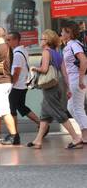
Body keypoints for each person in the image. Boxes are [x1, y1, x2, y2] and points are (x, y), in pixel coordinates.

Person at [28, 30, 82, 149]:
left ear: (47, 41)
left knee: (57, 112)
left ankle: (76, 137)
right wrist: (68, 88)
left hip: (50, 87)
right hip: (58, 85)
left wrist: (34, 68)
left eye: (42, 39)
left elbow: (44, 69)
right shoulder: (58, 53)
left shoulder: (46, 52)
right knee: (45, 113)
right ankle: (38, 140)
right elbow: (64, 73)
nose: (40, 41)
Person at [6, 32, 41, 133]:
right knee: (21, 106)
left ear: (15, 40)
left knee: (12, 109)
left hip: (17, 85)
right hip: (23, 85)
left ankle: (14, 133)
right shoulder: (23, 50)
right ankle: (40, 123)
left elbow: (16, 72)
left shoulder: (17, 54)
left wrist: (11, 85)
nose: (7, 42)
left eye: (9, 40)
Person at [60, 21, 87, 149]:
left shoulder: (74, 44)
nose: (61, 34)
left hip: (77, 79)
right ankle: (84, 135)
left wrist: (81, 79)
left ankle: (84, 136)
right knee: (72, 107)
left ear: (69, 33)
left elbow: (83, 60)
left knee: (77, 107)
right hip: (74, 80)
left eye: (63, 32)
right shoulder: (71, 45)